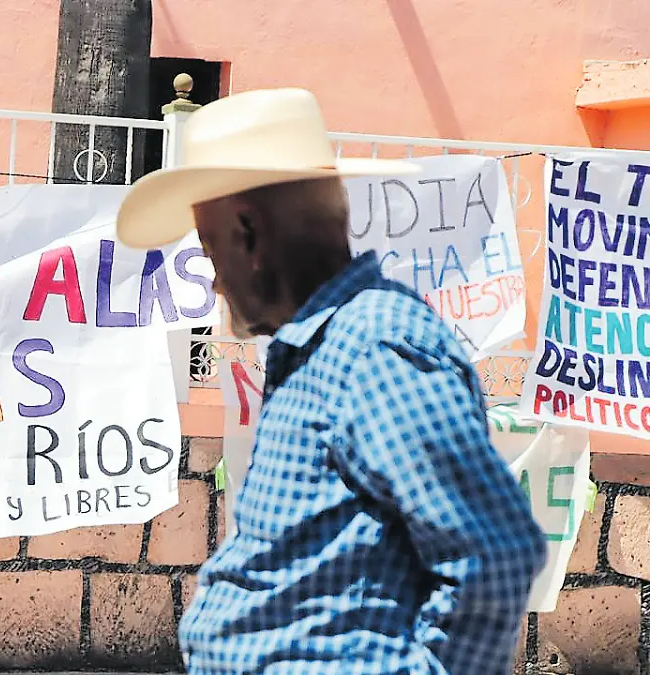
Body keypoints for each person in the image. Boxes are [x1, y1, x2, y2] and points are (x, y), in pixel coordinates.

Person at [115, 88, 546, 675]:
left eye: (211, 251)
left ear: (249, 233)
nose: (214, 282)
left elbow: (494, 551)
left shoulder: (374, 347)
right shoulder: (325, 348)